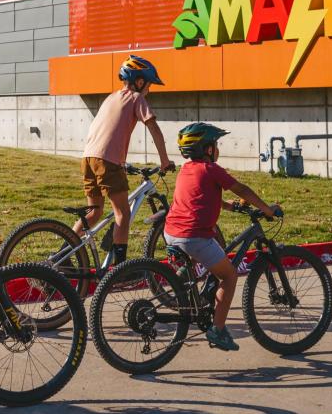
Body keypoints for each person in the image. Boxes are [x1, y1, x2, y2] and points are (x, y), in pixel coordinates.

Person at [162, 122, 279, 352]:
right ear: (206, 149)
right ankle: (217, 330)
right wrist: (268, 210)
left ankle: (185, 282)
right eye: (215, 144)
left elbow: (202, 197)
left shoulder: (187, 169)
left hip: (171, 233)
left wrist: (231, 207)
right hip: (193, 237)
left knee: (206, 250)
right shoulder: (210, 170)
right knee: (229, 276)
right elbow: (242, 189)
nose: (217, 149)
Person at [78, 55, 174, 269]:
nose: (149, 90)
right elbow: (154, 128)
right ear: (140, 82)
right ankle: (120, 268)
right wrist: (165, 160)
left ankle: (65, 250)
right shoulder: (136, 98)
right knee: (123, 212)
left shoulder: (111, 97)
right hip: (107, 161)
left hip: (88, 158)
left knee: (93, 212)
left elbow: (109, 131)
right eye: (149, 85)